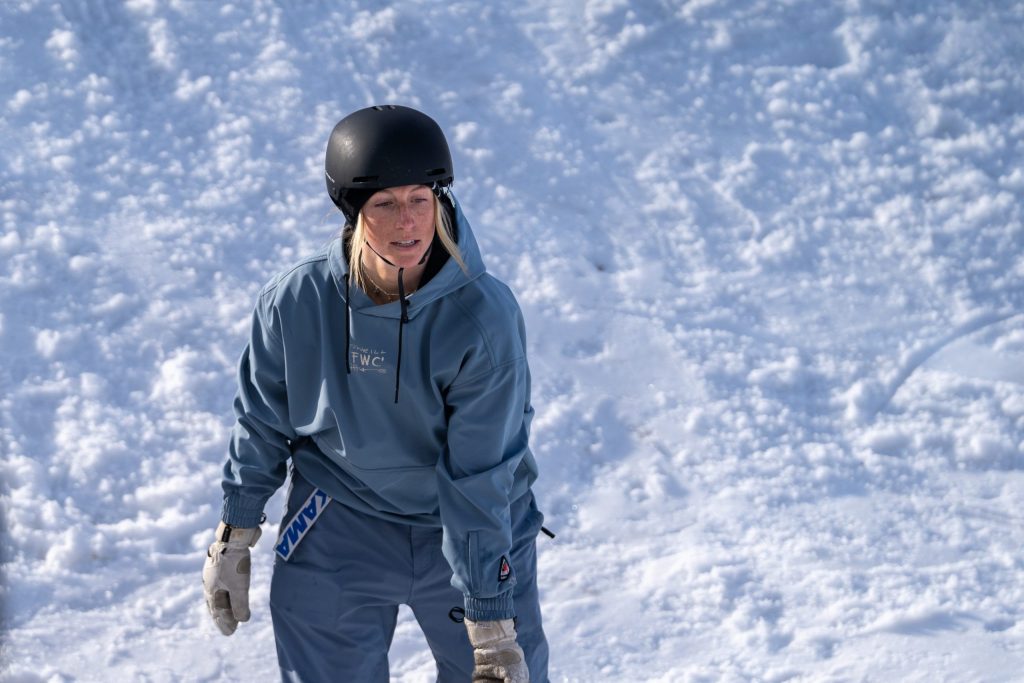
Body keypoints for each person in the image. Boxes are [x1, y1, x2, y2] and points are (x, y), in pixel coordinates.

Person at [201, 104, 550, 683]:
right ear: (351, 210)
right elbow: (262, 421)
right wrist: (234, 534)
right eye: (385, 203)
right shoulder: (297, 300)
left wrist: (490, 618)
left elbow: (480, 472)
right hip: (342, 518)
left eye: (421, 199)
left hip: (464, 525)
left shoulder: (481, 317)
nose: (407, 221)